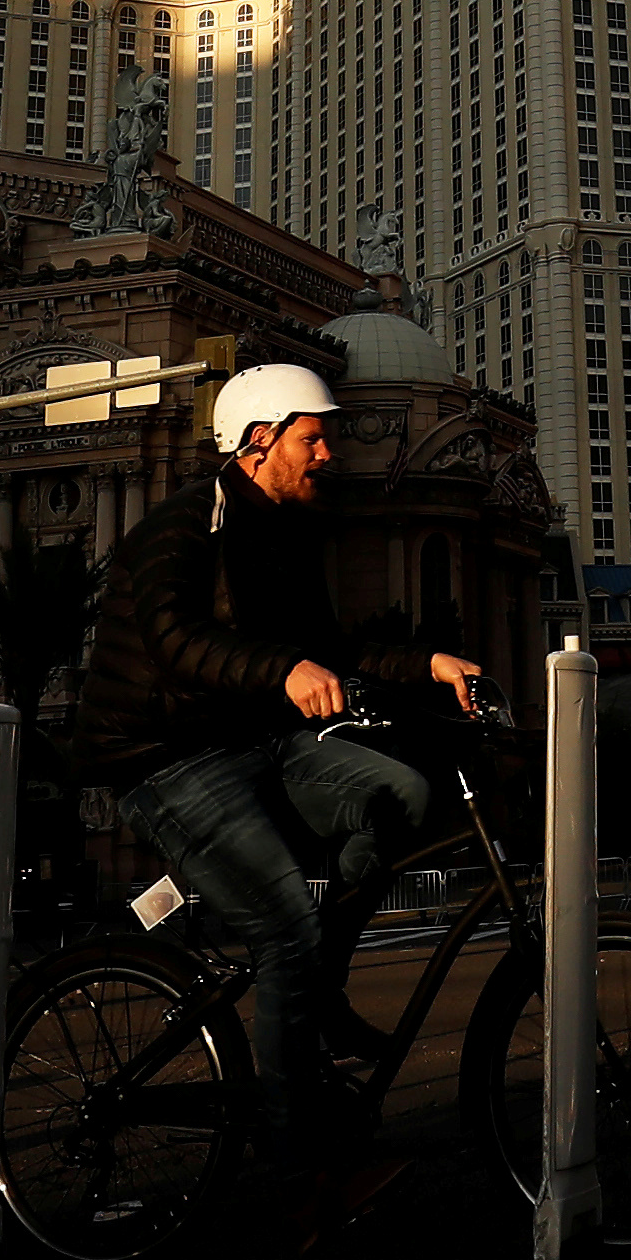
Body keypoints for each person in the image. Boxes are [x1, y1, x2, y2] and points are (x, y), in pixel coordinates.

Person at [72, 360, 490, 1162]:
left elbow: (332, 648)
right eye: (314, 437)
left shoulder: (289, 534)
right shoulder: (184, 525)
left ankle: (318, 990)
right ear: (260, 442)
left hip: (253, 740)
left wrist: (428, 663)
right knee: (285, 925)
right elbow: (175, 640)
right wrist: (282, 671)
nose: (327, 454)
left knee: (401, 791)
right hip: (168, 756)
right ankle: (299, 1160)